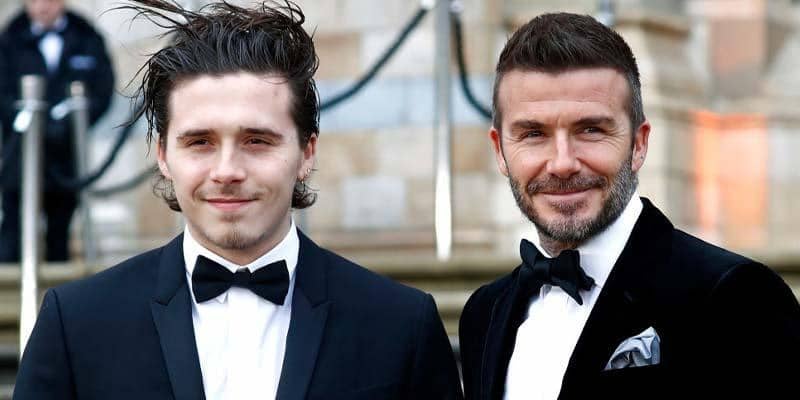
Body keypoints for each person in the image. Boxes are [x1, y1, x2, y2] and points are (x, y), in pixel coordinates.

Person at [13, 1, 462, 399]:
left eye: (257, 140)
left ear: (307, 152)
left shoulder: (402, 325)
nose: (227, 170)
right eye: (200, 142)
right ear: (163, 156)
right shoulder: (75, 324)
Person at [458, 12, 800, 400]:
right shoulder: (484, 313)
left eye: (591, 130)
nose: (562, 163)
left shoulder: (737, 298)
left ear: (639, 143)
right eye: (533, 134)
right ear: (500, 151)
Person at [0, 0, 115, 262]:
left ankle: (59, 284)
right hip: (20, 155)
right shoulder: (10, 38)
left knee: (60, 233)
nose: (42, 6)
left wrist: (71, 124)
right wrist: (30, 122)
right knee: (13, 232)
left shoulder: (86, 36)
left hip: (66, 156)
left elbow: (102, 89)